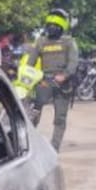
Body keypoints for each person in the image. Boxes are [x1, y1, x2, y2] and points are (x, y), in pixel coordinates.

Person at [25, 8, 79, 151]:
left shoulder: (68, 42)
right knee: (34, 113)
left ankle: (54, 147)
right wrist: (27, 78)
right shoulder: (41, 41)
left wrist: (65, 75)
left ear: (61, 27)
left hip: (63, 84)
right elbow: (30, 62)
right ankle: (27, 144)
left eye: (55, 26)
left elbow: (73, 62)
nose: (51, 28)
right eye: (49, 26)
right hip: (44, 81)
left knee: (60, 117)